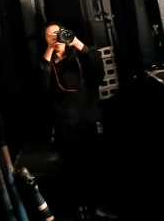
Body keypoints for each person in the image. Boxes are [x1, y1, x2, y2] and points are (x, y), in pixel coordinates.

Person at [40, 24, 104, 215]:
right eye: (50, 34)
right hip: (65, 122)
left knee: (95, 164)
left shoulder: (77, 57)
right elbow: (41, 85)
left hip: (87, 116)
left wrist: (75, 42)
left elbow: (98, 68)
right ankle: (81, 207)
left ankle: (97, 205)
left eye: (59, 33)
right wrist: (50, 49)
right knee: (73, 167)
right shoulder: (48, 62)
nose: (56, 37)